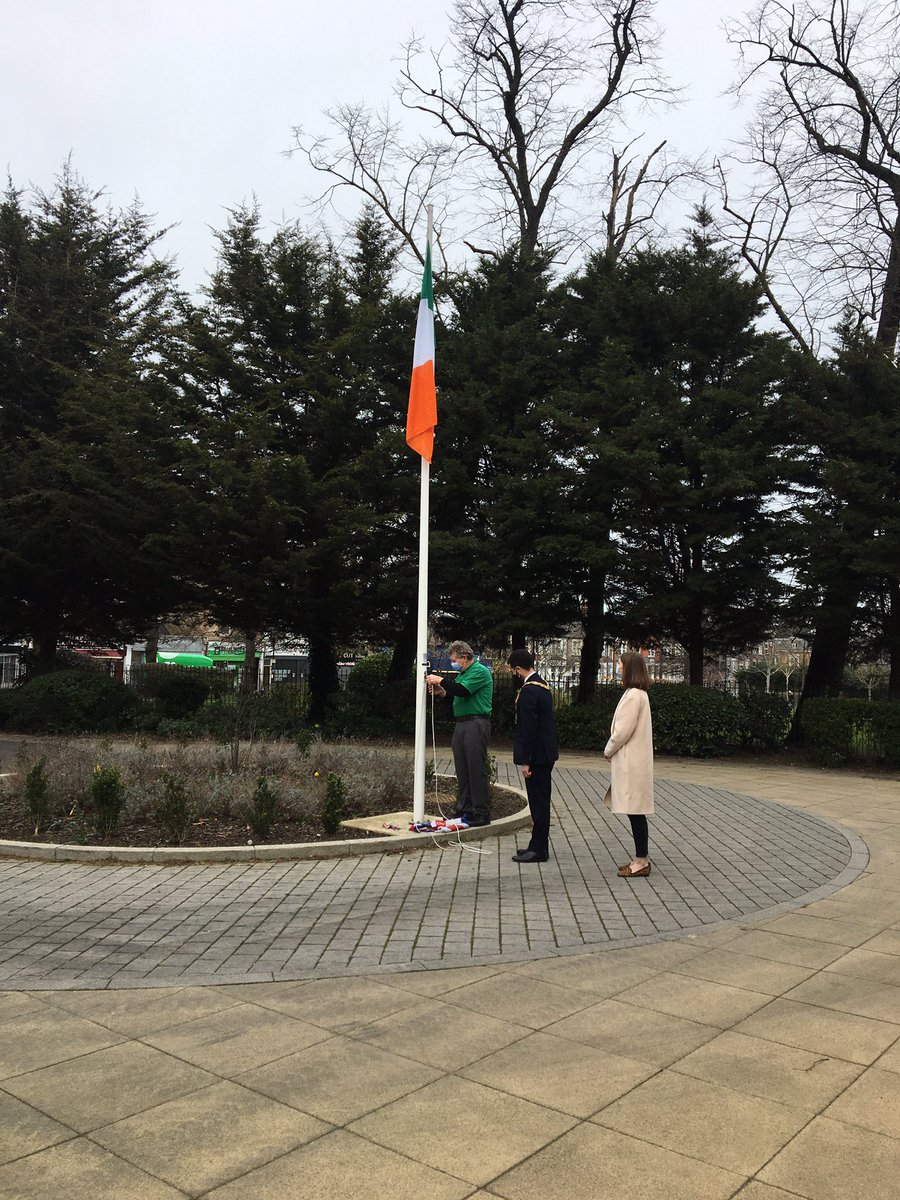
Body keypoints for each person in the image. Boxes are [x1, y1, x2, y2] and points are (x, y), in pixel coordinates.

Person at [425, 641, 493, 826]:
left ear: (464, 657)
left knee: (475, 768)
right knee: (462, 768)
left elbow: (463, 691)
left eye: (454, 660)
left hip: (475, 723)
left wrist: (440, 680)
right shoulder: (464, 673)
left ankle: (481, 812)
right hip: (462, 723)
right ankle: (465, 809)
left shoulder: (479, 671)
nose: (453, 663)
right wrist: (443, 693)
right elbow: (457, 696)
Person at [604, 650, 654, 878]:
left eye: (620, 664)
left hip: (631, 762)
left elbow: (623, 730)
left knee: (636, 811)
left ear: (629, 668)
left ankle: (641, 860)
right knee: (636, 811)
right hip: (635, 761)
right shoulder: (638, 694)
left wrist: (608, 749)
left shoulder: (633, 695)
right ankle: (639, 858)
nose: (619, 667)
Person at [507, 648, 559, 864]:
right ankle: (537, 845)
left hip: (536, 756)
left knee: (538, 803)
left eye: (513, 670)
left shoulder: (529, 690)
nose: (514, 674)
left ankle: (538, 848)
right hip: (546, 752)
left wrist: (526, 760)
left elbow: (528, 729)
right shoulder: (542, 685)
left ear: (518, 668)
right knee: (541, 800)